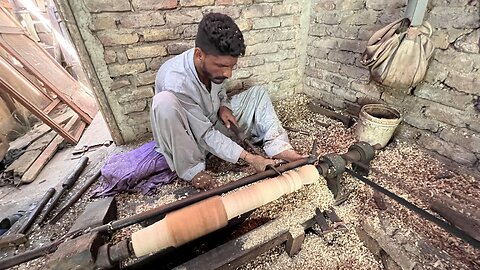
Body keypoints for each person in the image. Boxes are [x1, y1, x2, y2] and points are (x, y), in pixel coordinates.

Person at [150, 13, 305, 190]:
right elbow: (205, 133)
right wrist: (250, 157)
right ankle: (192, 170)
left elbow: (220, 89)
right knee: (164, 103)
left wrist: (223, 105)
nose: (228, 74)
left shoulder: (211, 67)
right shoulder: (177, 83)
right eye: (223, 66)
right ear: (199, 55)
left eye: (231, 66)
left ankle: (278, 146)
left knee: (258, 93)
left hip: (213, 117)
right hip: (189, 135)